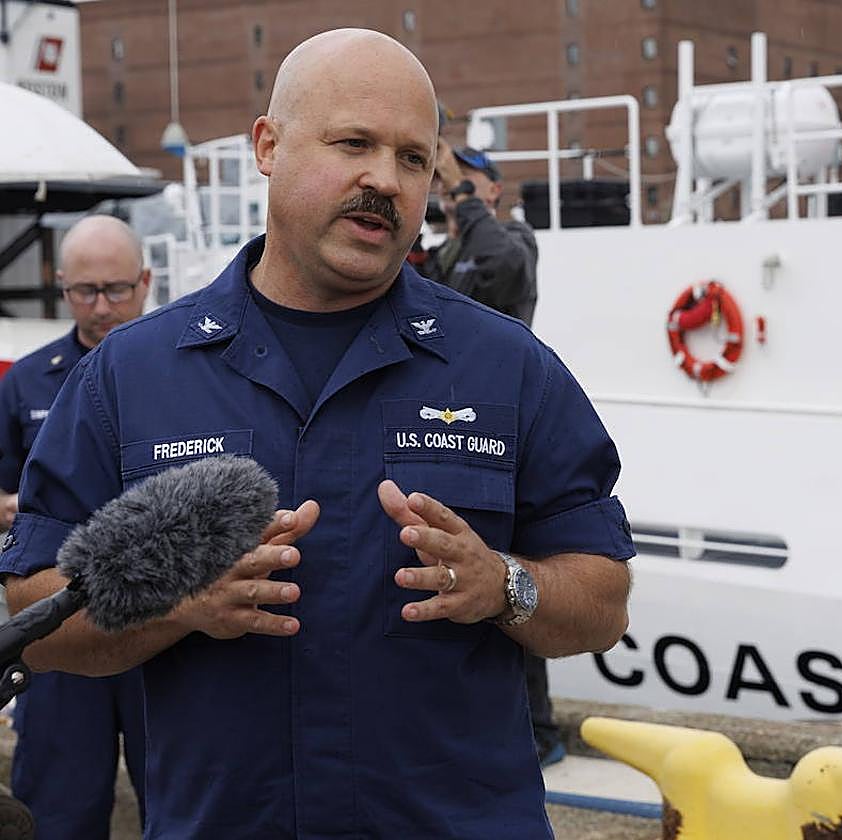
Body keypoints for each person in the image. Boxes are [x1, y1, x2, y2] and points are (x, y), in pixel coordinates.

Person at [0, 28, 633, 839]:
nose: (384, 179)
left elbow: (603, 601)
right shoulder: (133, 377)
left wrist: (502, 585)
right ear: (269, 145)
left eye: (413, 158)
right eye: (353, 143)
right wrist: (180, 607)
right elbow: (33, 612)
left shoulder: (508, 369)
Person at [0, 215, 150, 839]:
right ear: (62, 288)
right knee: (60, 806)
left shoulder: (190, 375)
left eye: (115, 290)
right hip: (60, 617)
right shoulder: (27, 381)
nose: (101, 306)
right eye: (84, 292)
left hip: (164, 616)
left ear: (144, 283)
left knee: (193, 793)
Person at [427, 143, 564, 766]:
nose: (450, 189)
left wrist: (461, 191)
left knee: (511, 579)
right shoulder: (447, 252)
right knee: (456, 580)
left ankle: (538, 732)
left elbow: (505, 268)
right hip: (443, 430)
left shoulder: (512, 240)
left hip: (498, 434)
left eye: (468, 182)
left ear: (493, 194)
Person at [422, 142, 538, 325]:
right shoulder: (438, 255)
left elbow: (504, 263)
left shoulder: (517, 236)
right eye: (444, 173)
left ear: (494, 190)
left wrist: (461, 190)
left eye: (462, 173)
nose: (447, 180)